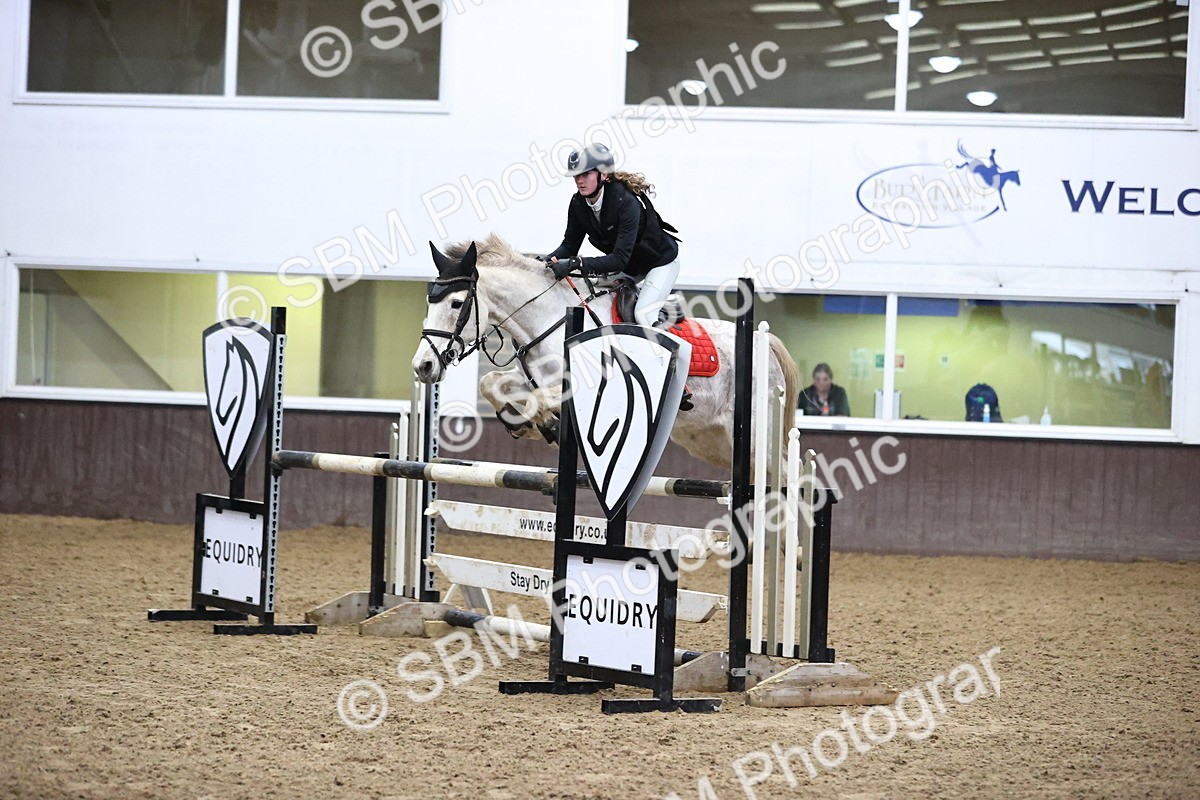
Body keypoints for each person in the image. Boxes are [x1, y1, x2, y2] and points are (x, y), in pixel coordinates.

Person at [543, 143, 680, 328]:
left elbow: (619, 259)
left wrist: (578, 263)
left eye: (586, 174)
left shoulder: (625, 202)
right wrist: (545, 262)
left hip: (660, 263)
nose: (579, 181)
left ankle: (667, 315)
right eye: (576, 175)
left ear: (603, 174)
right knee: (591, 292)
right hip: (631, 266)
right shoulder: (578, 203)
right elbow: (569, 246)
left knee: (643, 315)